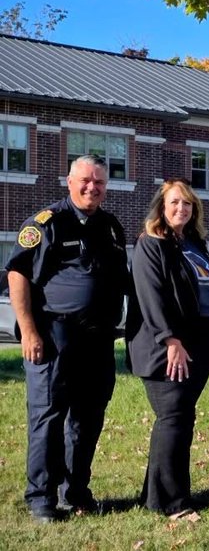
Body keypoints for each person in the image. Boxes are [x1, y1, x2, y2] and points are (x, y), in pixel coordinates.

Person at [6, 155, 129, 523]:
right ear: (69, 181)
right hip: (53, 335)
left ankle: (75, 491)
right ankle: (41, 498)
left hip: (98, 338)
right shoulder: (47, 223)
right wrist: (28, 330)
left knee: (88, 418)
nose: (93, 187)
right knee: (47, 416)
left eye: (100, 182)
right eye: (86, 180)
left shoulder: (110, 226)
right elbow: (17, 274)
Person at [127, 179, 209, 518]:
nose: (181, 208)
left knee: (178, 419)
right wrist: (170, 340)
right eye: (174, 202)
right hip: (166, 348)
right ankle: (173, 503)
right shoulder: (151, 244)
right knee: (173, 419)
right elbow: (150, 296)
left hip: (197, 345)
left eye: (187, 203)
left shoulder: (193, 243)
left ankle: (156, 496)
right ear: (162, 207)